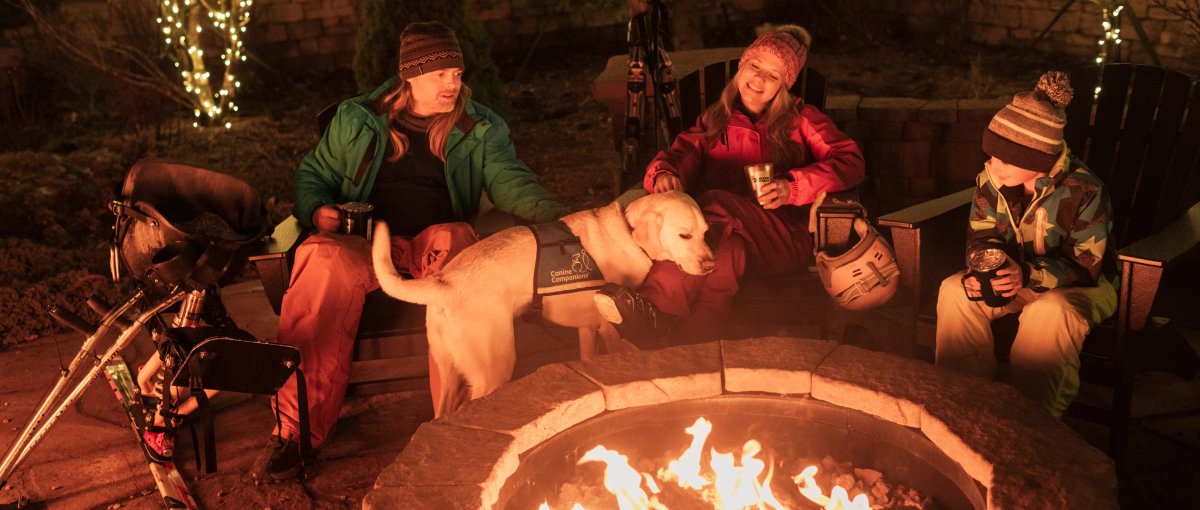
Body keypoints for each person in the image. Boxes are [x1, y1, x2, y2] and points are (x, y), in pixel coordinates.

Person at [254, 21, 567, 480]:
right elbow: (312, 175)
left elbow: (512, 183)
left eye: (457, 73)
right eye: (441, 74)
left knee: (461, 244)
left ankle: (462, 422)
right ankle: (296, 433)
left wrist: (562, 220)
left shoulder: (477, 127)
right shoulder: (357, 120)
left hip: (434, 248)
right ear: (411, 76)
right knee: (321, 257)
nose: (453, 83)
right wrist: (318, 209)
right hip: (363, 245)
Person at [593, 25, 865, 342]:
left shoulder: (803, 120)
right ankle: (683, 345)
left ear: (784, 85)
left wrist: (792, 186)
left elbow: (851, 161)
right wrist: (665, 173)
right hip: (727, 237)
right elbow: (679, 155)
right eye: (755, 66)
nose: (760, 79)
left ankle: (652, 309)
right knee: (713, 269)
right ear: (741, 66)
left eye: (774, 76)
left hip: (780, 238)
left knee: (712, 204)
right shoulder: (715, 121)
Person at [934, 71, 1118, 418]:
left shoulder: (1084, 191)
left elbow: (1086, 265)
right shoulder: (992, 181)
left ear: (1036, 159)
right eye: (990, 155)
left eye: (1003, 158)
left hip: (1082, 284)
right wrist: (980, 270)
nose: (991, 164)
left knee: (1048, 314)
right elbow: (982, 235)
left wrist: (1028, 275)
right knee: (955, 291)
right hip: (1015, 276)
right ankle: (963, 405)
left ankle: (1033, 421)